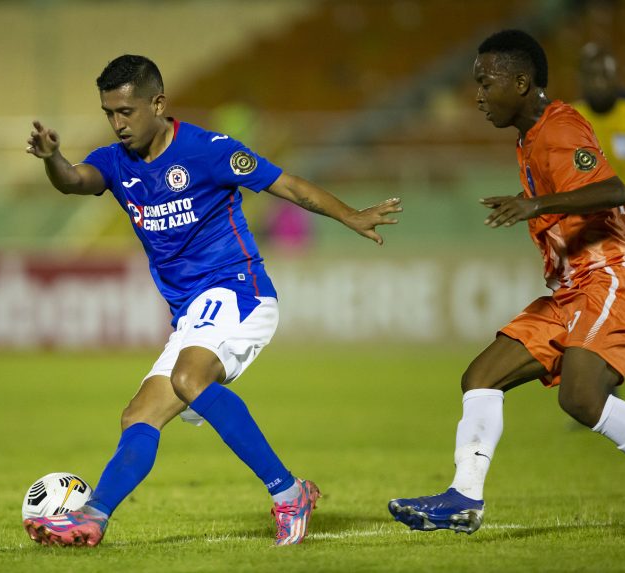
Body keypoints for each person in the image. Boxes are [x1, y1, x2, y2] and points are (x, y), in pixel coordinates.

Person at [24, 54, 402, 547]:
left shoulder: (208, 150)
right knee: (138, 416)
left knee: (189, 378)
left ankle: (289, 494)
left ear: (158, 104)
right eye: (109, 113)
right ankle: (92, 518)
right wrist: (52, 157)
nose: (118, 124)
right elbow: (74, 180)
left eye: (126, 112)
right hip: (192, 314)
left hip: (239, 290)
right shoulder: (115, 162)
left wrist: (351, 215)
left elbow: (286, 183)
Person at [388, 29, 625, 535]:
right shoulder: (530, 137)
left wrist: (536, 205)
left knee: (581, 399)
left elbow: (614, 190)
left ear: (521, 82)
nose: (478, 96)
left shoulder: (559, 127)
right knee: (481, 377)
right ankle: (464, 497)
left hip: (608, 274)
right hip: (570, 291)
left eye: (486, 83)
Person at [574, 43, 625, 238]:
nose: (599, 83)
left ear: (616, 78)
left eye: (605, 75)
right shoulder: (570, 119)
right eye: (592, 76)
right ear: (582, 80)